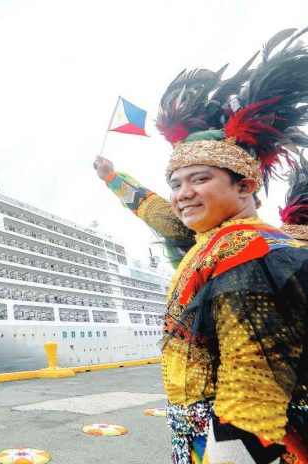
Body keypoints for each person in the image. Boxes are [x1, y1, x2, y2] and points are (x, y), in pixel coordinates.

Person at [96, 29, 308, 463]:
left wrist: (224, 453)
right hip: (201, 429)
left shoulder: (248, 251)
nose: (182, 194)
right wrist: (113, 178)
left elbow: (254, 383)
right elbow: (162, 214)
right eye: (176, 183)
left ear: (246, 185)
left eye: (200, 179)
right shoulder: (212, 242)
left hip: (234, 440)